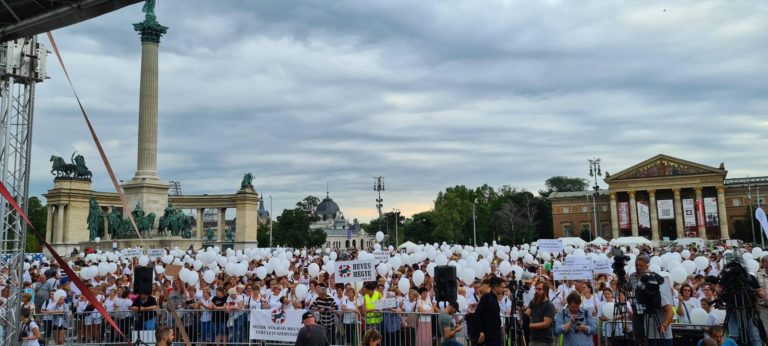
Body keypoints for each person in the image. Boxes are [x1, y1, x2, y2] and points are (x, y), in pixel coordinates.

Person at [629, 254, 674, 346]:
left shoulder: (658, 294)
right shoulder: (633, 278)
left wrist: (664, 325)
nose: (638, 267)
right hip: (647, 330)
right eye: (636, 265)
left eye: (640, 265)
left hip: (662, 335)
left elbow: (670, 311)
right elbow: (628, 289)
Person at [525, 281, 556, 346]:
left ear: (545, 291)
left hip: (544, 341)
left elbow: (546, 324)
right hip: (533, 339)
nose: (536, 291)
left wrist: (530, 325)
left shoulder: (549, 305)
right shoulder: (533, 302)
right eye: (536, 288)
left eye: (539, 289)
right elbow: (527, 314)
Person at [475, 276, 504, 346]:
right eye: (502, 287)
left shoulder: (494, 299)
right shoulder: (487, 297)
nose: (503, 289)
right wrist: (481, 331)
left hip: (495, 336)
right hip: (488, 337)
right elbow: (478, 314)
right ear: (496, 287)